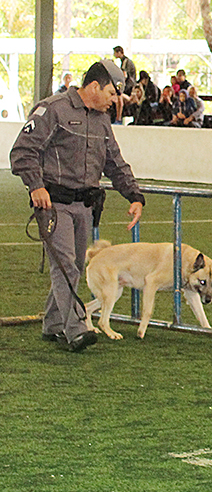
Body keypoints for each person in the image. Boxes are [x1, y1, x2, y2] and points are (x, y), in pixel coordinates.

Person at [10, 59, 145, 352]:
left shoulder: (101, 120)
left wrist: (134, 195)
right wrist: (36, 186)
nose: (114, 101)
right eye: (111, 94)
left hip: (85, 205)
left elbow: (114, 162)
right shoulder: (53, 109)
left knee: (72, 265)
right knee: (67, 266)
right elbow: (22, 152)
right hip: (54, 204)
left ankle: (53, 324)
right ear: (94, 86)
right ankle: (77, 328)